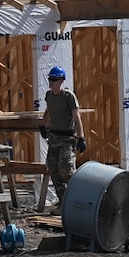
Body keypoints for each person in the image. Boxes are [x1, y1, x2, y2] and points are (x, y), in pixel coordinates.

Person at [40, 66, 86, 205]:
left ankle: (78, 197)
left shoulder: (68, 97)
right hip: (54, 136)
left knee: (66, 169)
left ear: (61, 81)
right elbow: (49, 110)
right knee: (53, 169)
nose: (51, 82)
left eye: (54, 80)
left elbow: (76, 117)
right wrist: (43, 124)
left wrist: (81, 137)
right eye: (50, 79)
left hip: (67, 138)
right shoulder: (49, 96)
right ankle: (64, 201)